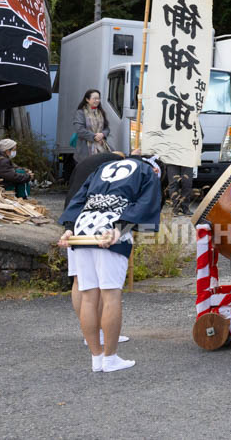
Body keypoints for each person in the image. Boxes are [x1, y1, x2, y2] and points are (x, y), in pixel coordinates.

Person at [58, 154, 164, 372]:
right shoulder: (147, 172)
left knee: (88, 295)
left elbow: (79, 197)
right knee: (110, 294)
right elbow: (146, 203)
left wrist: (69, 227)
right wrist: (120, 228)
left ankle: (96, 358)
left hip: (82, 227)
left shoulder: (103, 168)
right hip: (111, 228)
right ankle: (110, 357)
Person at [64, 149, 130, 348]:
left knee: (81, 283)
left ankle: (89, 334)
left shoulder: (85, 163)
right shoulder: (119, 168)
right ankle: (106, 338)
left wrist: (67, 226)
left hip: (74, 221)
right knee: (107, 289)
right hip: (100, 226)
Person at [72, 89, 110, 163]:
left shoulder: (101, 112)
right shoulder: (80, 112)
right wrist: (94, 136)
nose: (97, 100)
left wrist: (102, 134)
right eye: (94, 98)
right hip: (85, 151)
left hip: (101, 147)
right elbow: (79, 130)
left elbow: (107, 128)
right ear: (87, 99)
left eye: (98, 98)